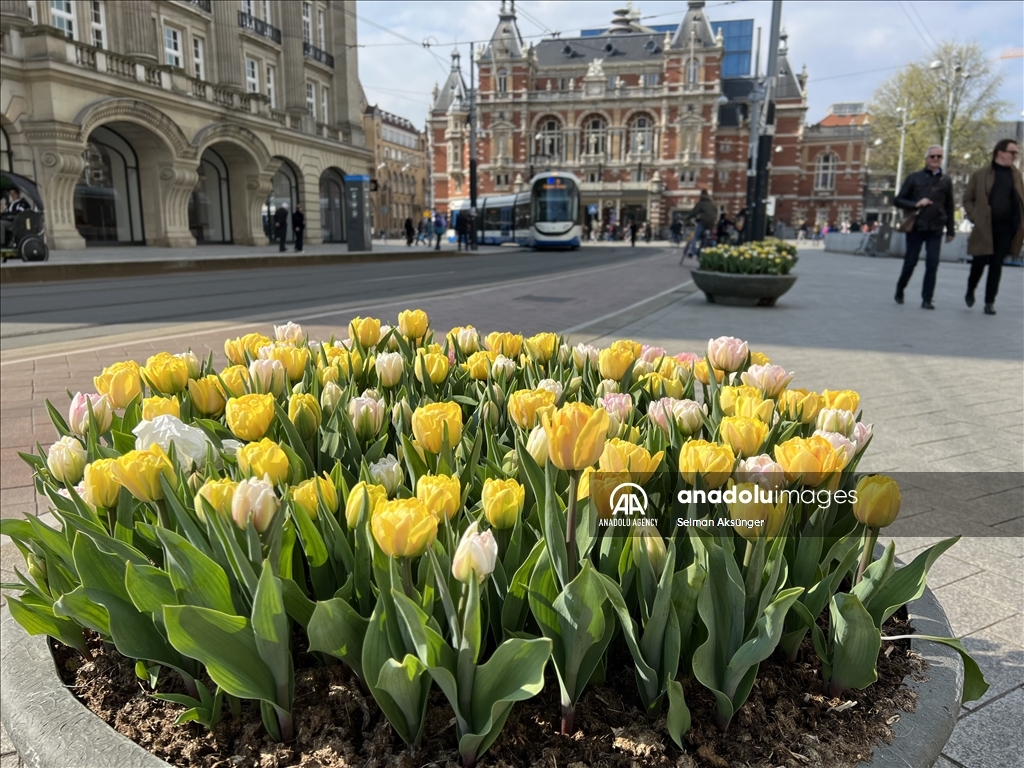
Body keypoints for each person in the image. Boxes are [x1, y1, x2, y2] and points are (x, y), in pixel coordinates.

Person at [963, 139, 1024, 316]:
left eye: (1016, 153)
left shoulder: (1016, 175)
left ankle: (990, 302)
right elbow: (968, 199)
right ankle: (970, 289)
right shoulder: (981, 174)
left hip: (1006, 229)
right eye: (1012, 152)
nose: (1014, 156)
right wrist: (975, 216)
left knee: (997, 266)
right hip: (985, 227)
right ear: (1000, 152)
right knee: (979, 263)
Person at [894, 145, 956, 309]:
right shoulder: (914, 178)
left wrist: (950, 230)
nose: (936, 159)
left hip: (935, 228)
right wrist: (916, 204)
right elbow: (898, 200)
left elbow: (950, 205)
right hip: (916, 227)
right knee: (910, 262)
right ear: (926, 159)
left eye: (939, 157)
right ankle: (900, 289)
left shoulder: (946, 180)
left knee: (932, 264)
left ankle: (927, 299)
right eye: (932, 156)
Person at [686, 189, 717, 258]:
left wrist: (687, 218)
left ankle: (692, 251)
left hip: (703, 222)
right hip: (711, 223)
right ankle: (700, 252)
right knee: (704, 238)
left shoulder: (701, 203)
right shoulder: (713, 203)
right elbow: (716, 212)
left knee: (696, 237)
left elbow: (693, 212)